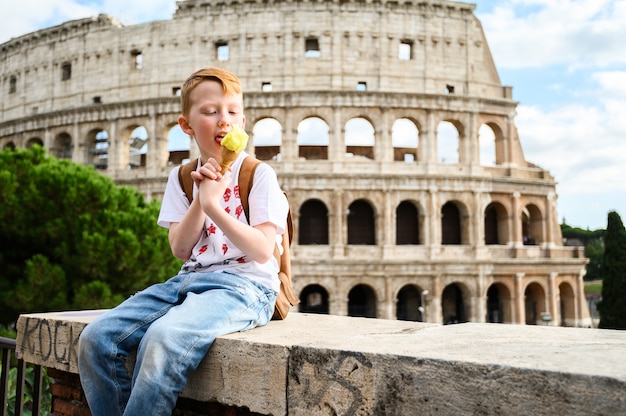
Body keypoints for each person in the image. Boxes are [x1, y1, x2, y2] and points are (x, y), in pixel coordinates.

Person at [77, 67, 289, 416]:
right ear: (186, 125)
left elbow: (262, 249)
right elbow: (179, 248)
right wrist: (199, 200)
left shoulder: (259, 174)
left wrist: (213, 206)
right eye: (211, 112)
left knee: (163, 339)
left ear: (244, 120)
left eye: (233, 112)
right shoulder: (180, 177)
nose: (225, 121)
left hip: (246, 287)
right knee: (96, 339)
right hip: (187, 280)